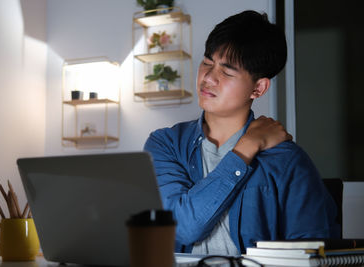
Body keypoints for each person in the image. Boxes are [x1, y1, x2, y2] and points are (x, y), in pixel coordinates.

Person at [144, 10, 339, 255]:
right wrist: (245, 148)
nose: (208, 78)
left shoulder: (288, 160)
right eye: (207, 62)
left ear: (258, 88)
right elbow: (181, 228)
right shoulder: (166, 144)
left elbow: (308, 254)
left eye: (226, 71)